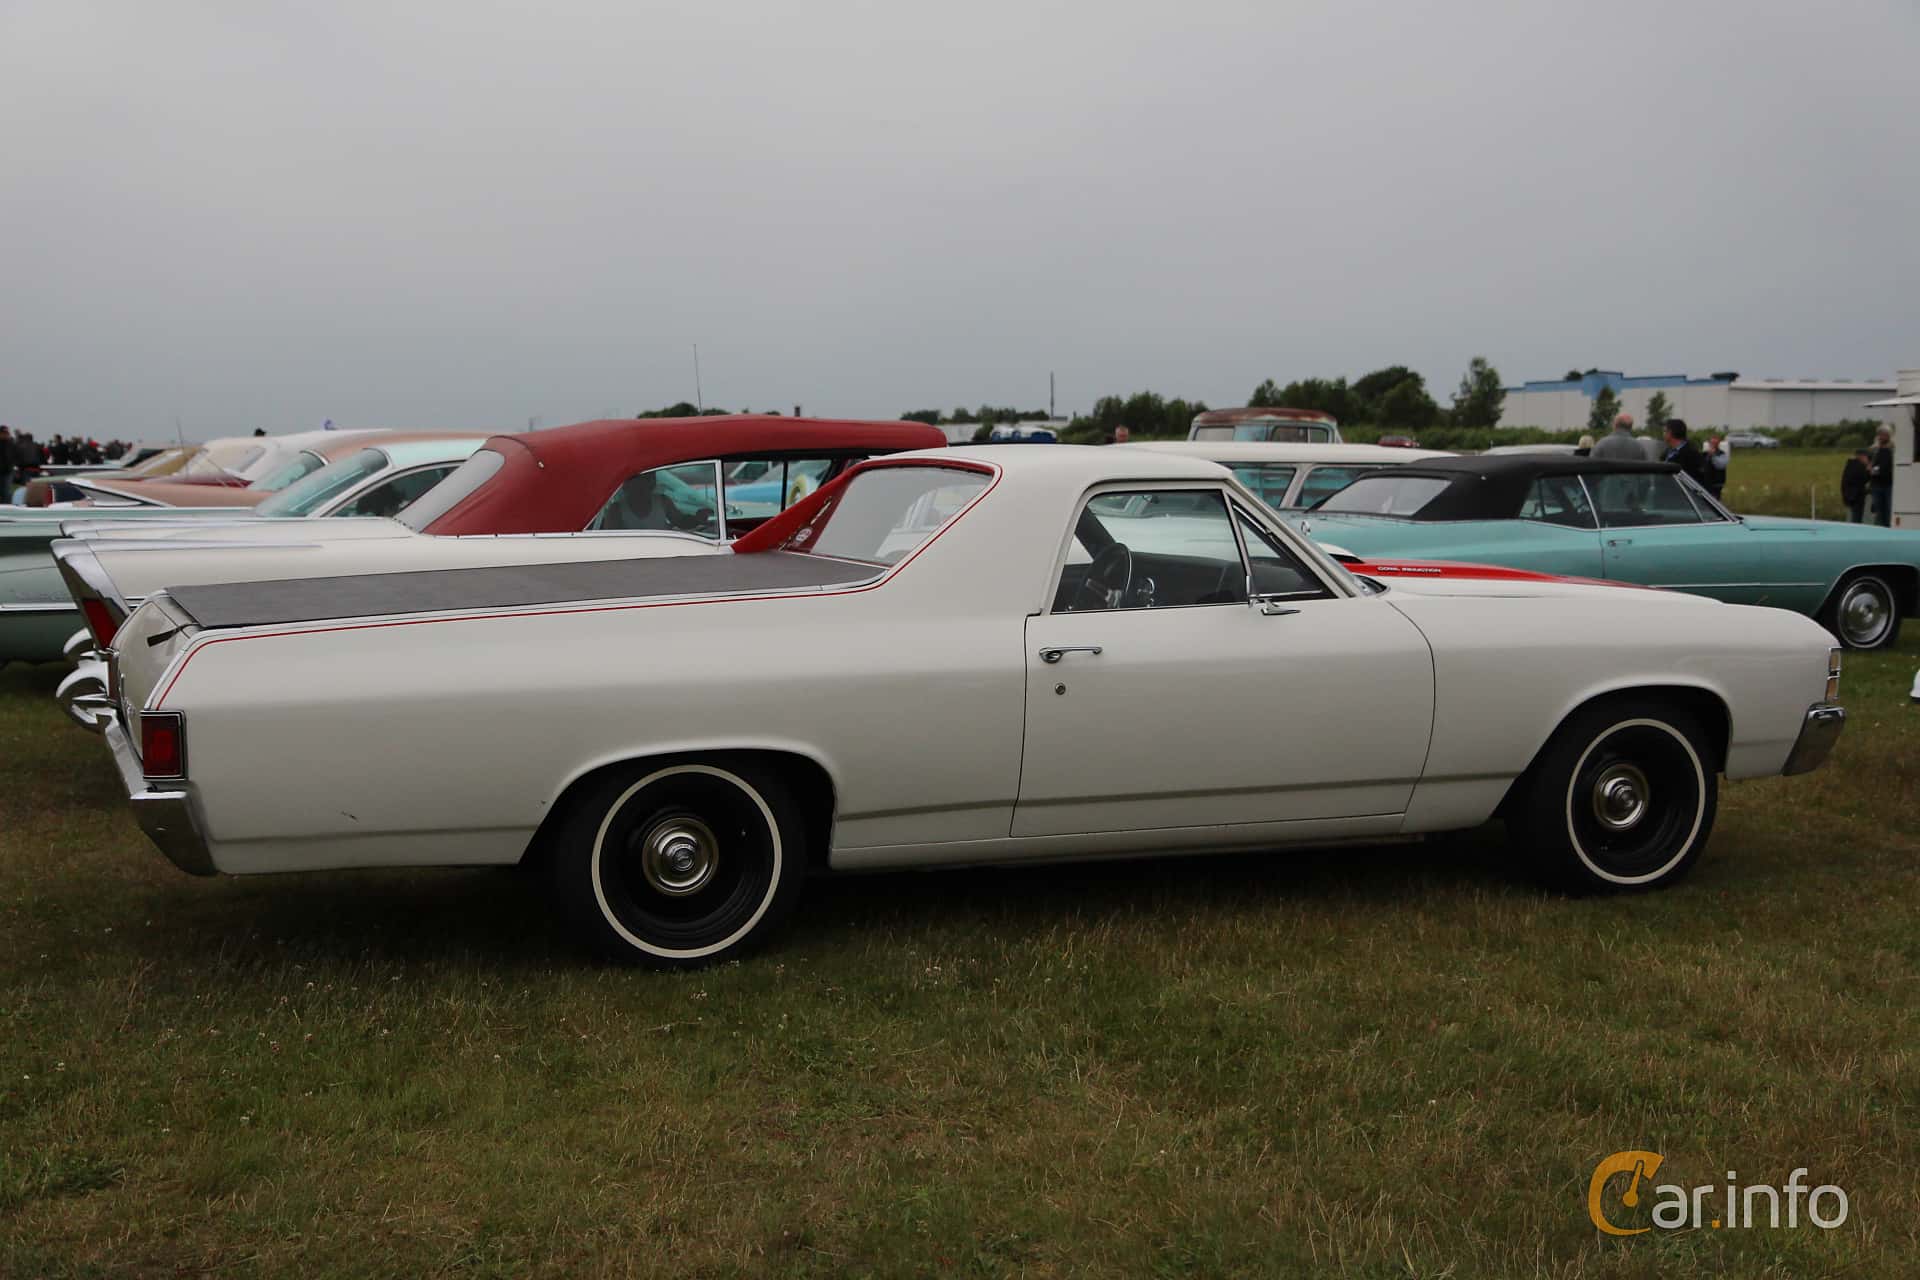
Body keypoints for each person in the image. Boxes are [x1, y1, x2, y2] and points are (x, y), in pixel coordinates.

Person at [1663, 420, 1704, 484]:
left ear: (1670, 433)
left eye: (1665, 431)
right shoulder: (1667, 452)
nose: (1663, 434)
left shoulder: (1691, 453)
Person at [1868, 425, 1894, 527]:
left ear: (1888, 436)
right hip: (1876, 485)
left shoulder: (1892, 449)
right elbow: (1869, 465)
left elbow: (1885, 467)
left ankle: (1889, 529)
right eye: (1880, 434)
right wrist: (1874, 469)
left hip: (1888, 484)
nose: (1881, 437)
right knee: (1878, 512)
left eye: (1883, 434)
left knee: (1888, 510)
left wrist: (1875, 469)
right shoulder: (1874, 449)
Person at [1841, 449, 1872, 523]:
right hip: (1856, 496)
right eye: (1866, 457)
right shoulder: (1858, 466)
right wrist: (1868, 470)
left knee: (1854, 516)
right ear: (1861, 456)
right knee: (1857, 518)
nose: (1867, 459)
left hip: (1850, 495)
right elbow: (1863, 479)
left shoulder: (1851, 464)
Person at [1701, 433, 1728, 499]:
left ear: (1718, 443)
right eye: (1712, 442)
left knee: (1715, 501)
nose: (1713, 444)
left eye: (1715, 442)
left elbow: (1721, 465)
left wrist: (1713, 456)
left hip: (1717, 484)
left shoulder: (1722, 454)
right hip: (1706, 483)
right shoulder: (1704, 454)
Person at [0, 425, 13, 505]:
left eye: (6, 433)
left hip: (7, 471)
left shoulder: (10, 443)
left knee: (6, 493)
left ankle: (6, 508)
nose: (5, 434)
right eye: (3, 433)